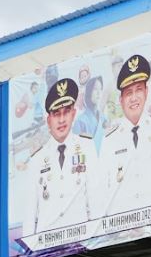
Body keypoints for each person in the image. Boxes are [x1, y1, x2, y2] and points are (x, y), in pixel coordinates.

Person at [93, 53, 151, 219]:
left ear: (146, 92)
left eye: (139, 90)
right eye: (128, 93)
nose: (134, 98)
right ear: (121, 100)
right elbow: (102, 190)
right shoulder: (110, 139)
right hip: (122, 227)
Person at [20, 78, 97, 236]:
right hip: (47, 246)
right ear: (48, 120)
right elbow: (29, 214)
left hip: (81, 241)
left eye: (66, 112)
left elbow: (96, 200)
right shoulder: (37, 159)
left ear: (73, 114)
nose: (61, 120)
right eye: (56, 114)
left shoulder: (87, 147)